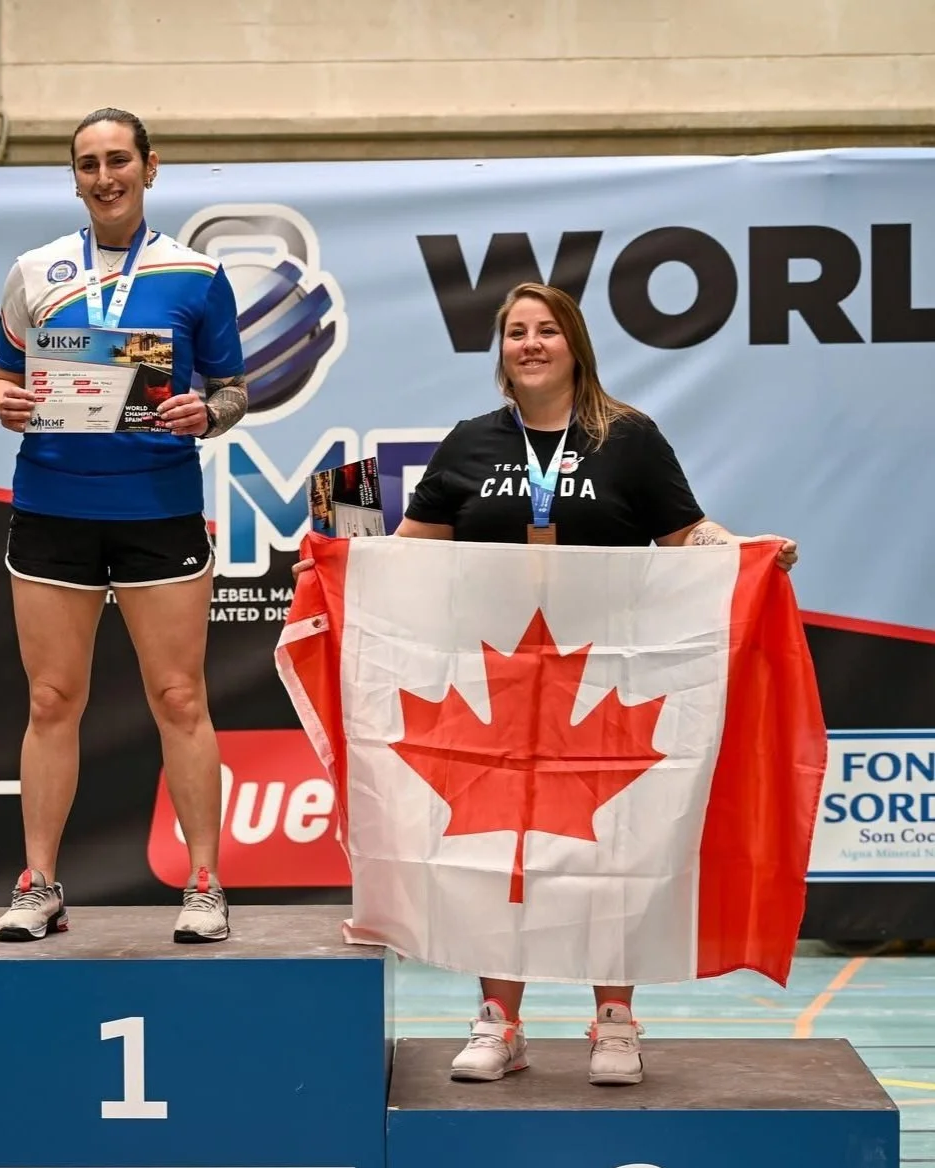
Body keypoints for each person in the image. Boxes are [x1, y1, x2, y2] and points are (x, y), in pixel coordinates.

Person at [298, 281, 798, 1085]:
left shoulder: (629, 438)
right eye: (515, 332)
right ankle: (500, 1019)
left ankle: (614, 1021)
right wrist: (336, 559)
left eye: (546, 331)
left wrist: (748, 549)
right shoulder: (470, 443)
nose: (529, 344)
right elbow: (408, 550)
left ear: (574, 345)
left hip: (606, 684)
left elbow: (685, 533)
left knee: (614, 842)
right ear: (501, 351)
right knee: (497, 851)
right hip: (494, 687)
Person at [0, 108, 248, 945]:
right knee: (50, 699)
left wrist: (204, 411)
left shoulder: (197, 274)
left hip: (158, 511)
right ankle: (38, 884)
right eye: (89, 164)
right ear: (74, 177)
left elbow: (236, 390)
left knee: (180, 697)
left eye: (119, 160)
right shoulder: (33, 269)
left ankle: (204, 882)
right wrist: (8, 402)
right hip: (53, 509)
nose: (106, 177)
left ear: (150, 166)